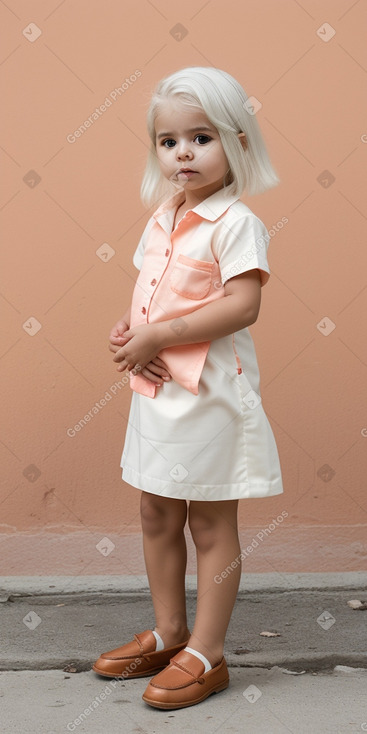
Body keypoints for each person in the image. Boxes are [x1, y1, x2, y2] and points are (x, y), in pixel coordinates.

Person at [93, 66, 284, 710]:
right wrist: (132, 327)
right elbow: (152, 284)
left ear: (237, 141)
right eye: (168, 141)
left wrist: (160, 335)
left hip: (208, 396)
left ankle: (208, 649)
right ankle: (169, 630)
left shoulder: (235, 222)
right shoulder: (163, 215)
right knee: (156, 509)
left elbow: (242, 305)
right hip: (158, 390)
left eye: (200, 137)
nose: (183, 153)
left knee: (209, 518)